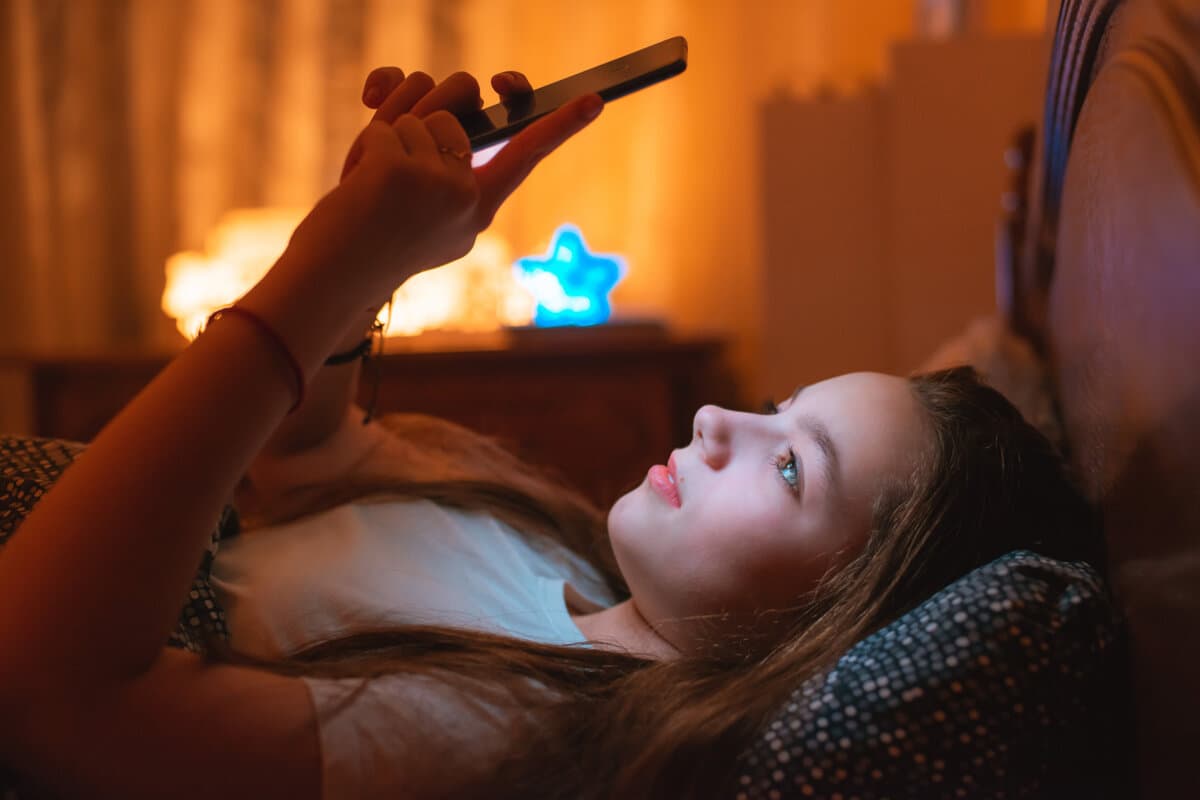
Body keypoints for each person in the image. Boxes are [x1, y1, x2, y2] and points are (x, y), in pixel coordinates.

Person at [0, 66, 1100, 800]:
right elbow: (303, 454)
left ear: (841, 621)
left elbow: (49, 693)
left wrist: (324, 268)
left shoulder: (500, 727)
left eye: (788, 463)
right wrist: (375, 261)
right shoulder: (547, 542)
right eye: (773, 408)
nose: (716, 418)